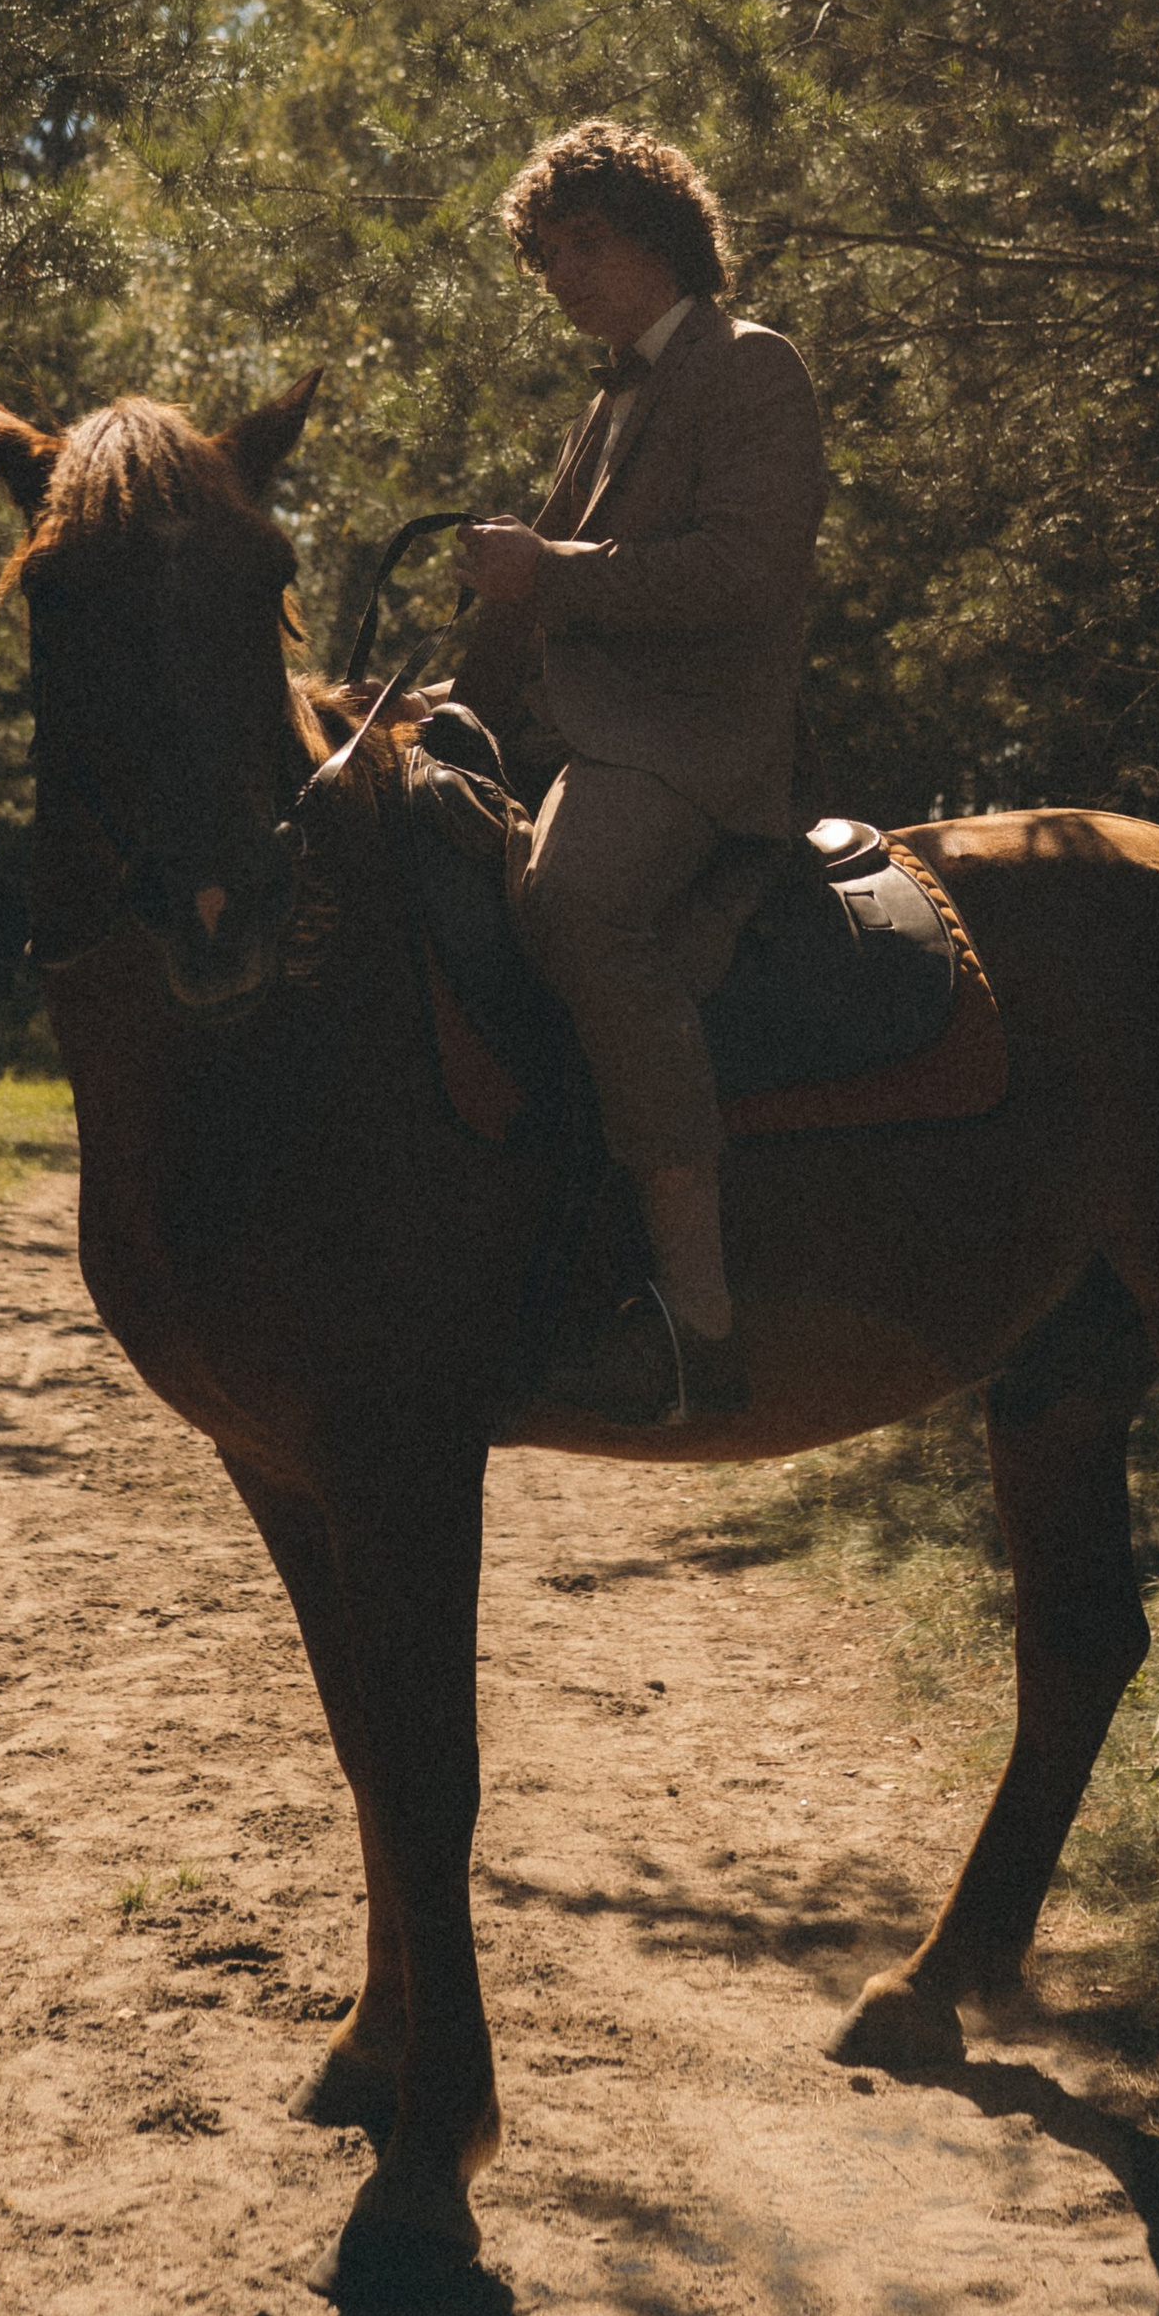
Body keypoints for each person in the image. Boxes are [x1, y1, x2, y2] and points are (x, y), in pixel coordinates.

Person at [455, 122, 828, 1426]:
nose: (562, 275)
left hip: (695, 745)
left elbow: (747, 573)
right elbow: (532, 605)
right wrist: (444, 711)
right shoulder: (611, 400)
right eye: (547, 257)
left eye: (585, 245)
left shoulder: (749, 370)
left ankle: (699, 1320)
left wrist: (544, 573)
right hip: (595, 733)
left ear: (661, 236)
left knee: (578, 909)